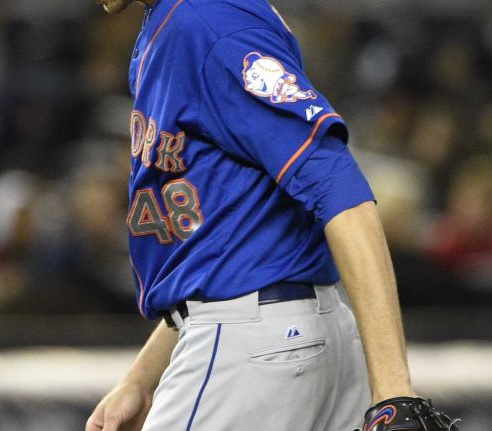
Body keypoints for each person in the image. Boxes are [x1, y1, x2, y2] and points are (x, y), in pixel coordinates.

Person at [87, 1, 459, 430]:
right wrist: (142, 378)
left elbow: (338, 185)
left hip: (256, 351)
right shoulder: (176, 21)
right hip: (284, 336)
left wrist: (394, 390)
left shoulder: (208, 23)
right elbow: (226, 244)